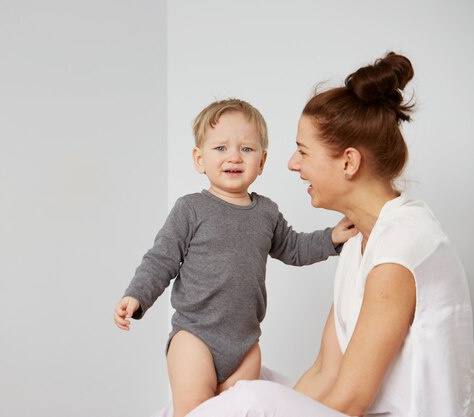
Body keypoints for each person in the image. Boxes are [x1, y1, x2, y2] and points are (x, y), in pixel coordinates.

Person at [152, 52, 474, 417]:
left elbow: (351, 401)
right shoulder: (360, 242)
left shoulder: (401, 247)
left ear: (349, 163)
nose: (292, 163)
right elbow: (326, 370)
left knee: (247, 401)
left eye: (303, 151)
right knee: (236, 394)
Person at [113, 98, 357, 417]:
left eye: (246, 149)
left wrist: (332, 238)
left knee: (240, 411)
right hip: (195, 337)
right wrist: (137, 295)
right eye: (220, 149)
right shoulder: (190, 209)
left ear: (262, 161)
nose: (234, 157)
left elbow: (294, 248)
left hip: (245, 345)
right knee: (196, 412)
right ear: (199, 159)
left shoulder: (266, 213)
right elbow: (161, 260)